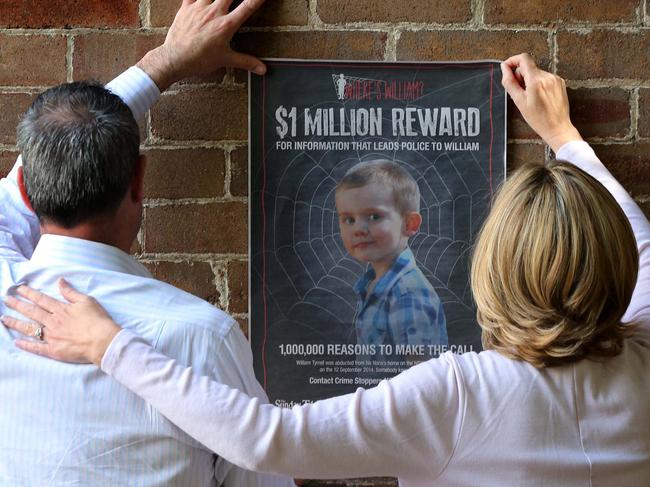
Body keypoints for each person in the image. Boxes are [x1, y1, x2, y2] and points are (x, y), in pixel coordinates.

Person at [4, 53, 650, 486]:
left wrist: (110, 344)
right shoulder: (643, 354)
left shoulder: (460, 391)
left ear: (494, 267)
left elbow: (268, 437)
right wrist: (565, 138)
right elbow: (642, 247)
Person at [0, 0, 293, 486]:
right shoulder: (205, 339)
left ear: (29, 189)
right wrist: (167, 60)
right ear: (139, 180)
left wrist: (164, 62)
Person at [335, 160, 447, 349]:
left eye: (374, 217)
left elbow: (426, 374)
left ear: (410, 224)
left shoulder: (409, 294)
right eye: (349, 219)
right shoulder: (371, 284)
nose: (358, 230)